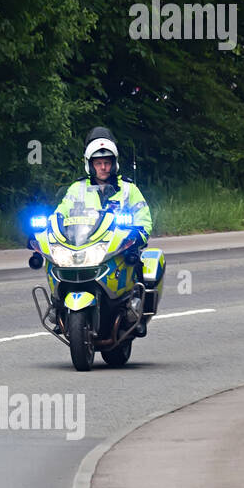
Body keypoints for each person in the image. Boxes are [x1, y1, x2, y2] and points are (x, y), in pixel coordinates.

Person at [54, 126, 154, 334]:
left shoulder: (128, 189)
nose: (103, 168)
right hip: (85, 244)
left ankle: (139, 315)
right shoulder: (77, 189)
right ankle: (58, 308)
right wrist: (46, 230)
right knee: (54, 259)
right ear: (90, 165)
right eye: (98, 163)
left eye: (107, 163)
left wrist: (138, 234)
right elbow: (59, 214)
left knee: (137, 261)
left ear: (114, 163)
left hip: (117, 246)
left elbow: (144, 218)